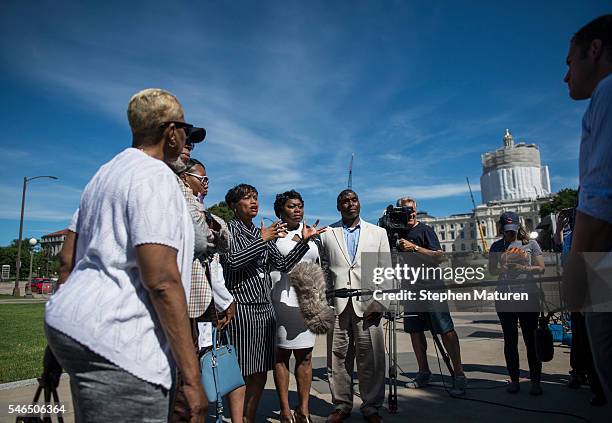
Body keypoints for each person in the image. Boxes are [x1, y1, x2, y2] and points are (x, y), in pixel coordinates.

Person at [44, 88, 207, 422]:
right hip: (122, 342)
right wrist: (191, 380)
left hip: (73, 329)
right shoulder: (156, 176)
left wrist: (53, 353)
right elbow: (161, 278)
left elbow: (67, 261)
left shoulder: (103, 175)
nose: (187, 141)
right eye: (186, 132)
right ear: (170, 132)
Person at [221, 184, 324, 423]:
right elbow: (233, 262)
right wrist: (261, 239)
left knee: (258, 372)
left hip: (264, 308)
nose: (254, 202)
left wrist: (303, 243)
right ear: (234, 205)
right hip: (243, 308)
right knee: (241, 371)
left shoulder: (263, 234)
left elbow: (283, 264)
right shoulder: (231, 229)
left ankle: (249, 417)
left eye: (255, 198)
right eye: (247, 198)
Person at [563, 14, 612, 405]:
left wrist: (576, 281)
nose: (567, 76)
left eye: (570, 62)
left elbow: (599, 202)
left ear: (594, 50)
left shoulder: (608, 93)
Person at [171, 157, 239, 422]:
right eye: (203, 179)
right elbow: (203, 248)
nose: (207, 185)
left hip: (203, 302)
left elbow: (220, 251)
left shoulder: (204, 212)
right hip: (186, 301)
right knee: (184, 381)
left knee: (198, 366)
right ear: (185, 177)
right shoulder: (181, 203)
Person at [320, 189, 392, 423]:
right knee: (337, 357)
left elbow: (385, 269)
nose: (350, 204)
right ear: (338, 206)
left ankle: (371, 407)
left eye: (354, 200)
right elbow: (322, 268)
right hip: (338, 305)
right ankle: (341, 405)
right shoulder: (328, 233)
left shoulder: (378, 233)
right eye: (344, 201)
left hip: (368, 304)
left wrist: (381, 301)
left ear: (359, 203)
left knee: (371, 357)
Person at [395, 197, 467, 396]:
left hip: (431, 287)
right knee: (415, 332)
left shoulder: (425, 230)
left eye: (413, 210)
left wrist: (415, 248)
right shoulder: (397, 233)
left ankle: (459, 374)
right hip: (411, 288)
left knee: (445, 329)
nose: (411, 213)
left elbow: (439, 256)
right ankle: (423, 371)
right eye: (406, 210)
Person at [271, 190, 324, 423]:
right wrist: (302, 241)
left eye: (300, 205)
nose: (297, 209)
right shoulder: (274, 234)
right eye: (292, 206)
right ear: (281, 210)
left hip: (307, 300)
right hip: (281, 300)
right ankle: (284, 410)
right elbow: (279, 264)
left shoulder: (314, 234)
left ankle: (303, 410)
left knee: (306, 356)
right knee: (281, 355)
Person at [488, 212, 545, 395]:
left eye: (512, 230)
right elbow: (491, 270)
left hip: (528, 295)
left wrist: (524, 268)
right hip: (505, 296)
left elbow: (541, 268)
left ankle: (536, 381)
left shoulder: (531, 244)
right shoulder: (496, 246)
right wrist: (502, 267)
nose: (510, 234)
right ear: (501, 229)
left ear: (518, 227)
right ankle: (514, 380)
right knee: (510, 340)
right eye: (507, 231)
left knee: (531, 339)